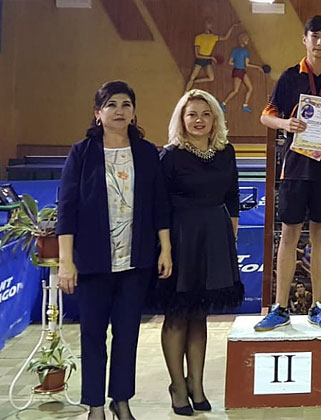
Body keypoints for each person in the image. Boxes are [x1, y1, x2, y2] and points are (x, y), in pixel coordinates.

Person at [56, 81, 172, 420]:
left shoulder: (147, 152)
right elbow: (67, 209)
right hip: (93, 263)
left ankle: (121, 401)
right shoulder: (82, 153)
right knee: (93, 335)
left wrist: (165, 249)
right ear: (98, 113)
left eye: (126, 105)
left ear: (134, 113)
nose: (119, 111)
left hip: (136, 261)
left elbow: (160, 204)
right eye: (111, 105)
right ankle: (95, 405)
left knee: (127, 335)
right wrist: (66, 261)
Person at [254, 15, 321, 331]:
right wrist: (285, 123)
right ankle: (280, 306)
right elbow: (266, 116)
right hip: (294, 169)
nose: (320, 43)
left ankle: (318, 305)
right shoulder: (289, 77)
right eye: (315, 37)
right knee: (289, 234)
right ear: (305, 39)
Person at [159, 89, 244, 415]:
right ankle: (178, 387)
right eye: (192, 114)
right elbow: (159, 206)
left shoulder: (226, 152)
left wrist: (230, 234)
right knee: (178, 314)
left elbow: (232, 195)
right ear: (181, 119)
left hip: (215, 236)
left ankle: (196, 385)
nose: (199, 120)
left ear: (215, 119)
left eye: (205, 114)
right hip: (180, 238)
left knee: (199, 315)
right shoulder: (170, 156)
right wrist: (165, 248)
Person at [185, 19, 239, 91]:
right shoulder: (198, 37)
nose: (210, 26)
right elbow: (197, 55)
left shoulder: (213, 37)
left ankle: (194, 82)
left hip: (207, 60)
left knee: (211, 78)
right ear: (204, 26)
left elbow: (225, 37)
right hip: (200, 59)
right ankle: (186, 91)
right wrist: (211, 58)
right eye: (208, 24)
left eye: (210, 25)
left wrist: (232, 27)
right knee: (192, 77)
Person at [221, 32, 262, 113]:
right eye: (247, 40)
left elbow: (230, 62)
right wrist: (257, 67)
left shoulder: (235, 50)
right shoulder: (245, 51)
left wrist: (238, 64)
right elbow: (247, 64)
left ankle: (245, 106)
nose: (247, 41)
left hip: (238, 71)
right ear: (244, 41)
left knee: (249, 88)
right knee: (237, 90)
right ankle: (223, 104)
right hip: (240, 71)